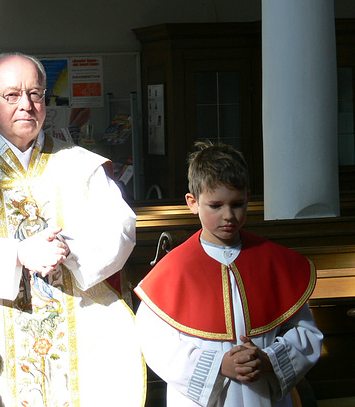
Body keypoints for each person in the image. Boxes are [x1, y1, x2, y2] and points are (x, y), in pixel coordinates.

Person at [0, 52, 146, 406]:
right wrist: (20, 253)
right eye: (12, 95)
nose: (26, 105)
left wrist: (67, 248)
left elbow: (119, 227)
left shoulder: (82, 166)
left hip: (82, 330)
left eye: (36, 94)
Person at [134, 141, 323, 406]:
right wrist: (220, 365)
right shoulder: (173, 271)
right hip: (204, 398)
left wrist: (269, 359)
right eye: (215, 205)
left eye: (237, 204)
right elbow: (156, 343)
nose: (228, 216)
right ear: (193, 203)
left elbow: (306, 333)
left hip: (262, 393)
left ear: (248, 196)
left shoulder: (274, 262)